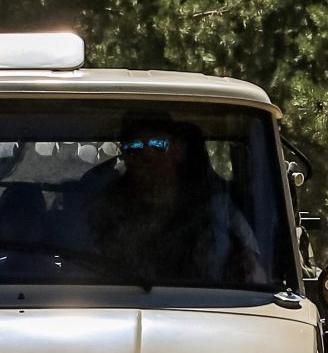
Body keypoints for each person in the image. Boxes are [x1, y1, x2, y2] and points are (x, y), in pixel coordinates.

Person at [83, 113, 268, 287]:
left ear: (177, 150)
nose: (148, 156)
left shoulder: (216, 207)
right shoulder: (104, 208)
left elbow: (254, 273)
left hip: (209, 305)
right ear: (124, 155)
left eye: (158, 145)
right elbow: (83, 268)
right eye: (135, 147)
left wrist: (247, 262)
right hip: (118, 301)